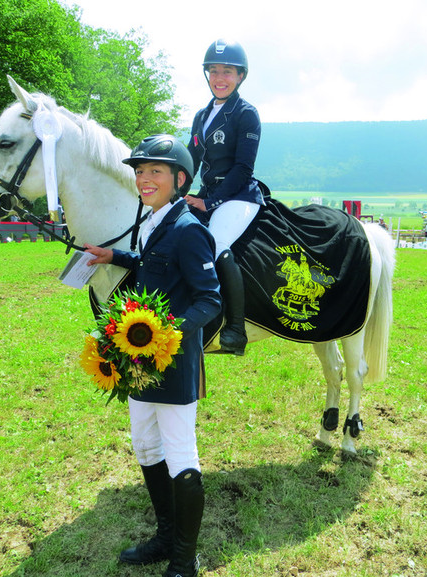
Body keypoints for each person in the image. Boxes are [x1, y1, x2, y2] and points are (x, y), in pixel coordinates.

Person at [84, 134, 221, 577]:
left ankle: (185, 557)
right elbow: (149, 265)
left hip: (174, 362)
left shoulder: (189, 229)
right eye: (140, 171)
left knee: (181, 455)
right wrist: (114, 255)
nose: (144, 179)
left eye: (155, 171)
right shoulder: (152, 222)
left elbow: (209, 299)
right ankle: (165, 536)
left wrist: (167, 333)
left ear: (180, 179)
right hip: (139, 364)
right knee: (145, 446)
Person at [185, 38, 265, 356]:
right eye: (214, 71)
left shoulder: (247, 114)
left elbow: (243, 168)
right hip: (208, 191)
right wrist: (173, 196)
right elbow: (189, 163)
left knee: (215, 244)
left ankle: (235, 329)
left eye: (227, 72)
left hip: (239, 195)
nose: (220, 78)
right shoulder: (201, 116)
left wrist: (210, 202)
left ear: (240, 76)